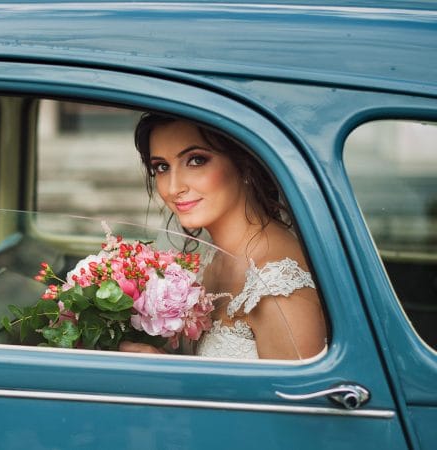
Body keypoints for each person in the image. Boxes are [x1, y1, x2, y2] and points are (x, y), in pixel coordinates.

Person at [119, 113, 327, 360]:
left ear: (245, 162)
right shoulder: (210, 254)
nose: (173, 188)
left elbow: (293, 398)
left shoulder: (279, 287)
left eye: (196, 160)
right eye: (162, 167)